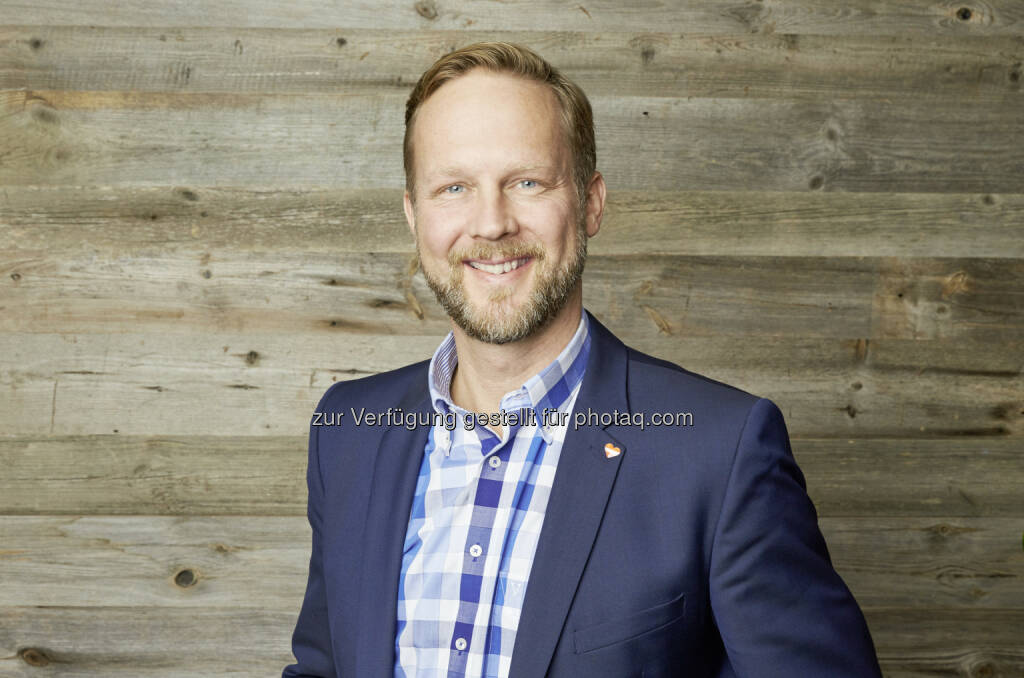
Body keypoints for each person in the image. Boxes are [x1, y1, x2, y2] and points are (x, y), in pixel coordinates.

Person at [283, 42, 883, 678]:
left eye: (527, 183)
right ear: (413, 213)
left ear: (591, 203)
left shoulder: (720, 452)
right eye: (453, 187)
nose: (491, 224)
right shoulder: (348, 431)